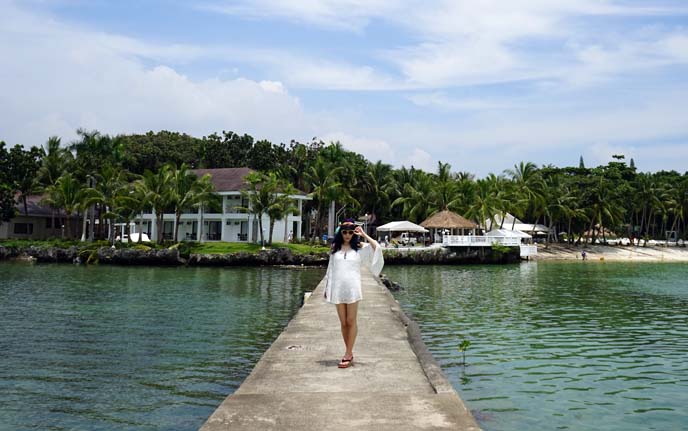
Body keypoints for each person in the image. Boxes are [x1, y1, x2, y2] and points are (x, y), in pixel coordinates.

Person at [324, 219, 383, 368]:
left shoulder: (360, 248)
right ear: (340, 233)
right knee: (343, 322)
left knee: (351, 320)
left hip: (352, 288)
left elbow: (377, 248)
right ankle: (348, 352)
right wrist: (327, 289)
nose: (348, 235)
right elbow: (330, 269)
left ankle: (348, 353)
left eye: (350, 232)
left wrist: (364, 234)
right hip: (337, 288)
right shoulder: (335, 248)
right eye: (345, 232)